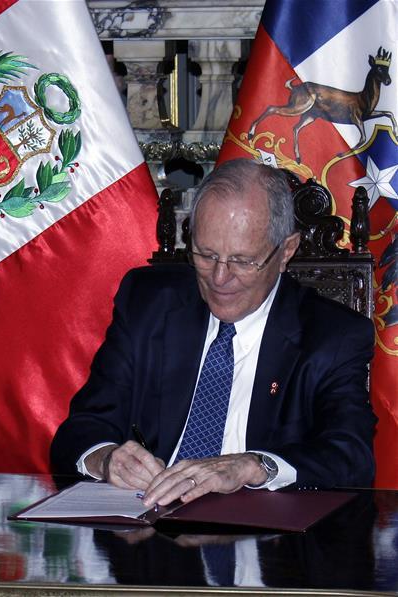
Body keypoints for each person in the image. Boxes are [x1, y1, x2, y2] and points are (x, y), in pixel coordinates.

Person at [51, 159, 376, 507]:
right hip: (145, 534)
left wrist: (254, 465)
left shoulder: (333, 337)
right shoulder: (149, 306)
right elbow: (80, 430)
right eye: (206, 255)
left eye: (242, 261)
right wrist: (106, 458)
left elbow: (350, 456)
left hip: (263, 546)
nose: (220, 279)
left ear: (286, 251)